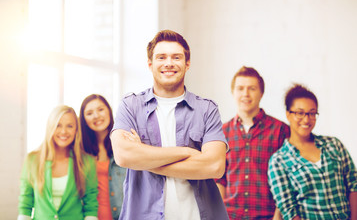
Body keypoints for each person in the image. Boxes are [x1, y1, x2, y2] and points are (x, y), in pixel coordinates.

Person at [110, 29, 229, 220]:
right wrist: (187, 152)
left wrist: (145, 159)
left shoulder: (207, 110)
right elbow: (124, 156)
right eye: (161, 57)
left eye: (176, 57)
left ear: (187, 63)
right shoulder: (130, 106)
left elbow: (215, 165)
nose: (169, 63)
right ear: (150, 64)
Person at [268, 84, 357, 220]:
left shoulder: (334, 145)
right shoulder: (279, 161)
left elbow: (353, 184)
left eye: (312, 113)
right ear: (288, 114)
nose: (306, 119)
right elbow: (289, 211)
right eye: (300, 113)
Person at [215, 66, 289, 220]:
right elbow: (219, 179)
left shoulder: (280, 130)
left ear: (261, 93)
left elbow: (288, 178)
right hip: (231, 215)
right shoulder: (222, 132)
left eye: (252, 88)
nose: (245, 94)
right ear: (233, 92)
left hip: (268, 216)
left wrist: (278, 216)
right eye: (240, 88)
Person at [18, 105, 98, 220]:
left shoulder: (87, 161)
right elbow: (25, 203)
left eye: (70, 126)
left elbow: (91, 205)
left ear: (76, 130)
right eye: (58, 125)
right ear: (50, 127)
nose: (63, 131)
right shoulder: (32, 160)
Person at [80, 94, 126, 220]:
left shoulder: (123, 143)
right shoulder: (81, 150)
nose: (96, 116)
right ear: (83, 119)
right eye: (89, 113)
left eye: (100, 109)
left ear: (109, 111)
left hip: (122, 215)